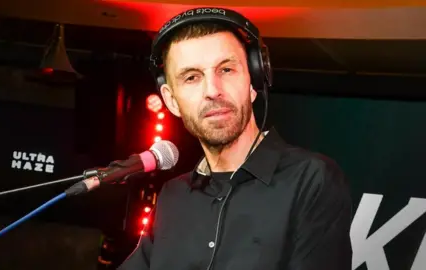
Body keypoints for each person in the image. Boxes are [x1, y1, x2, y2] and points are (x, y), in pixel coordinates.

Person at [118, 7, 352, 270]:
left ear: (254, 82)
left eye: (226, 70)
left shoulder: (311, 179)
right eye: (192, 77)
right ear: (171, 101)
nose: (212, 91)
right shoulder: (173, 196)